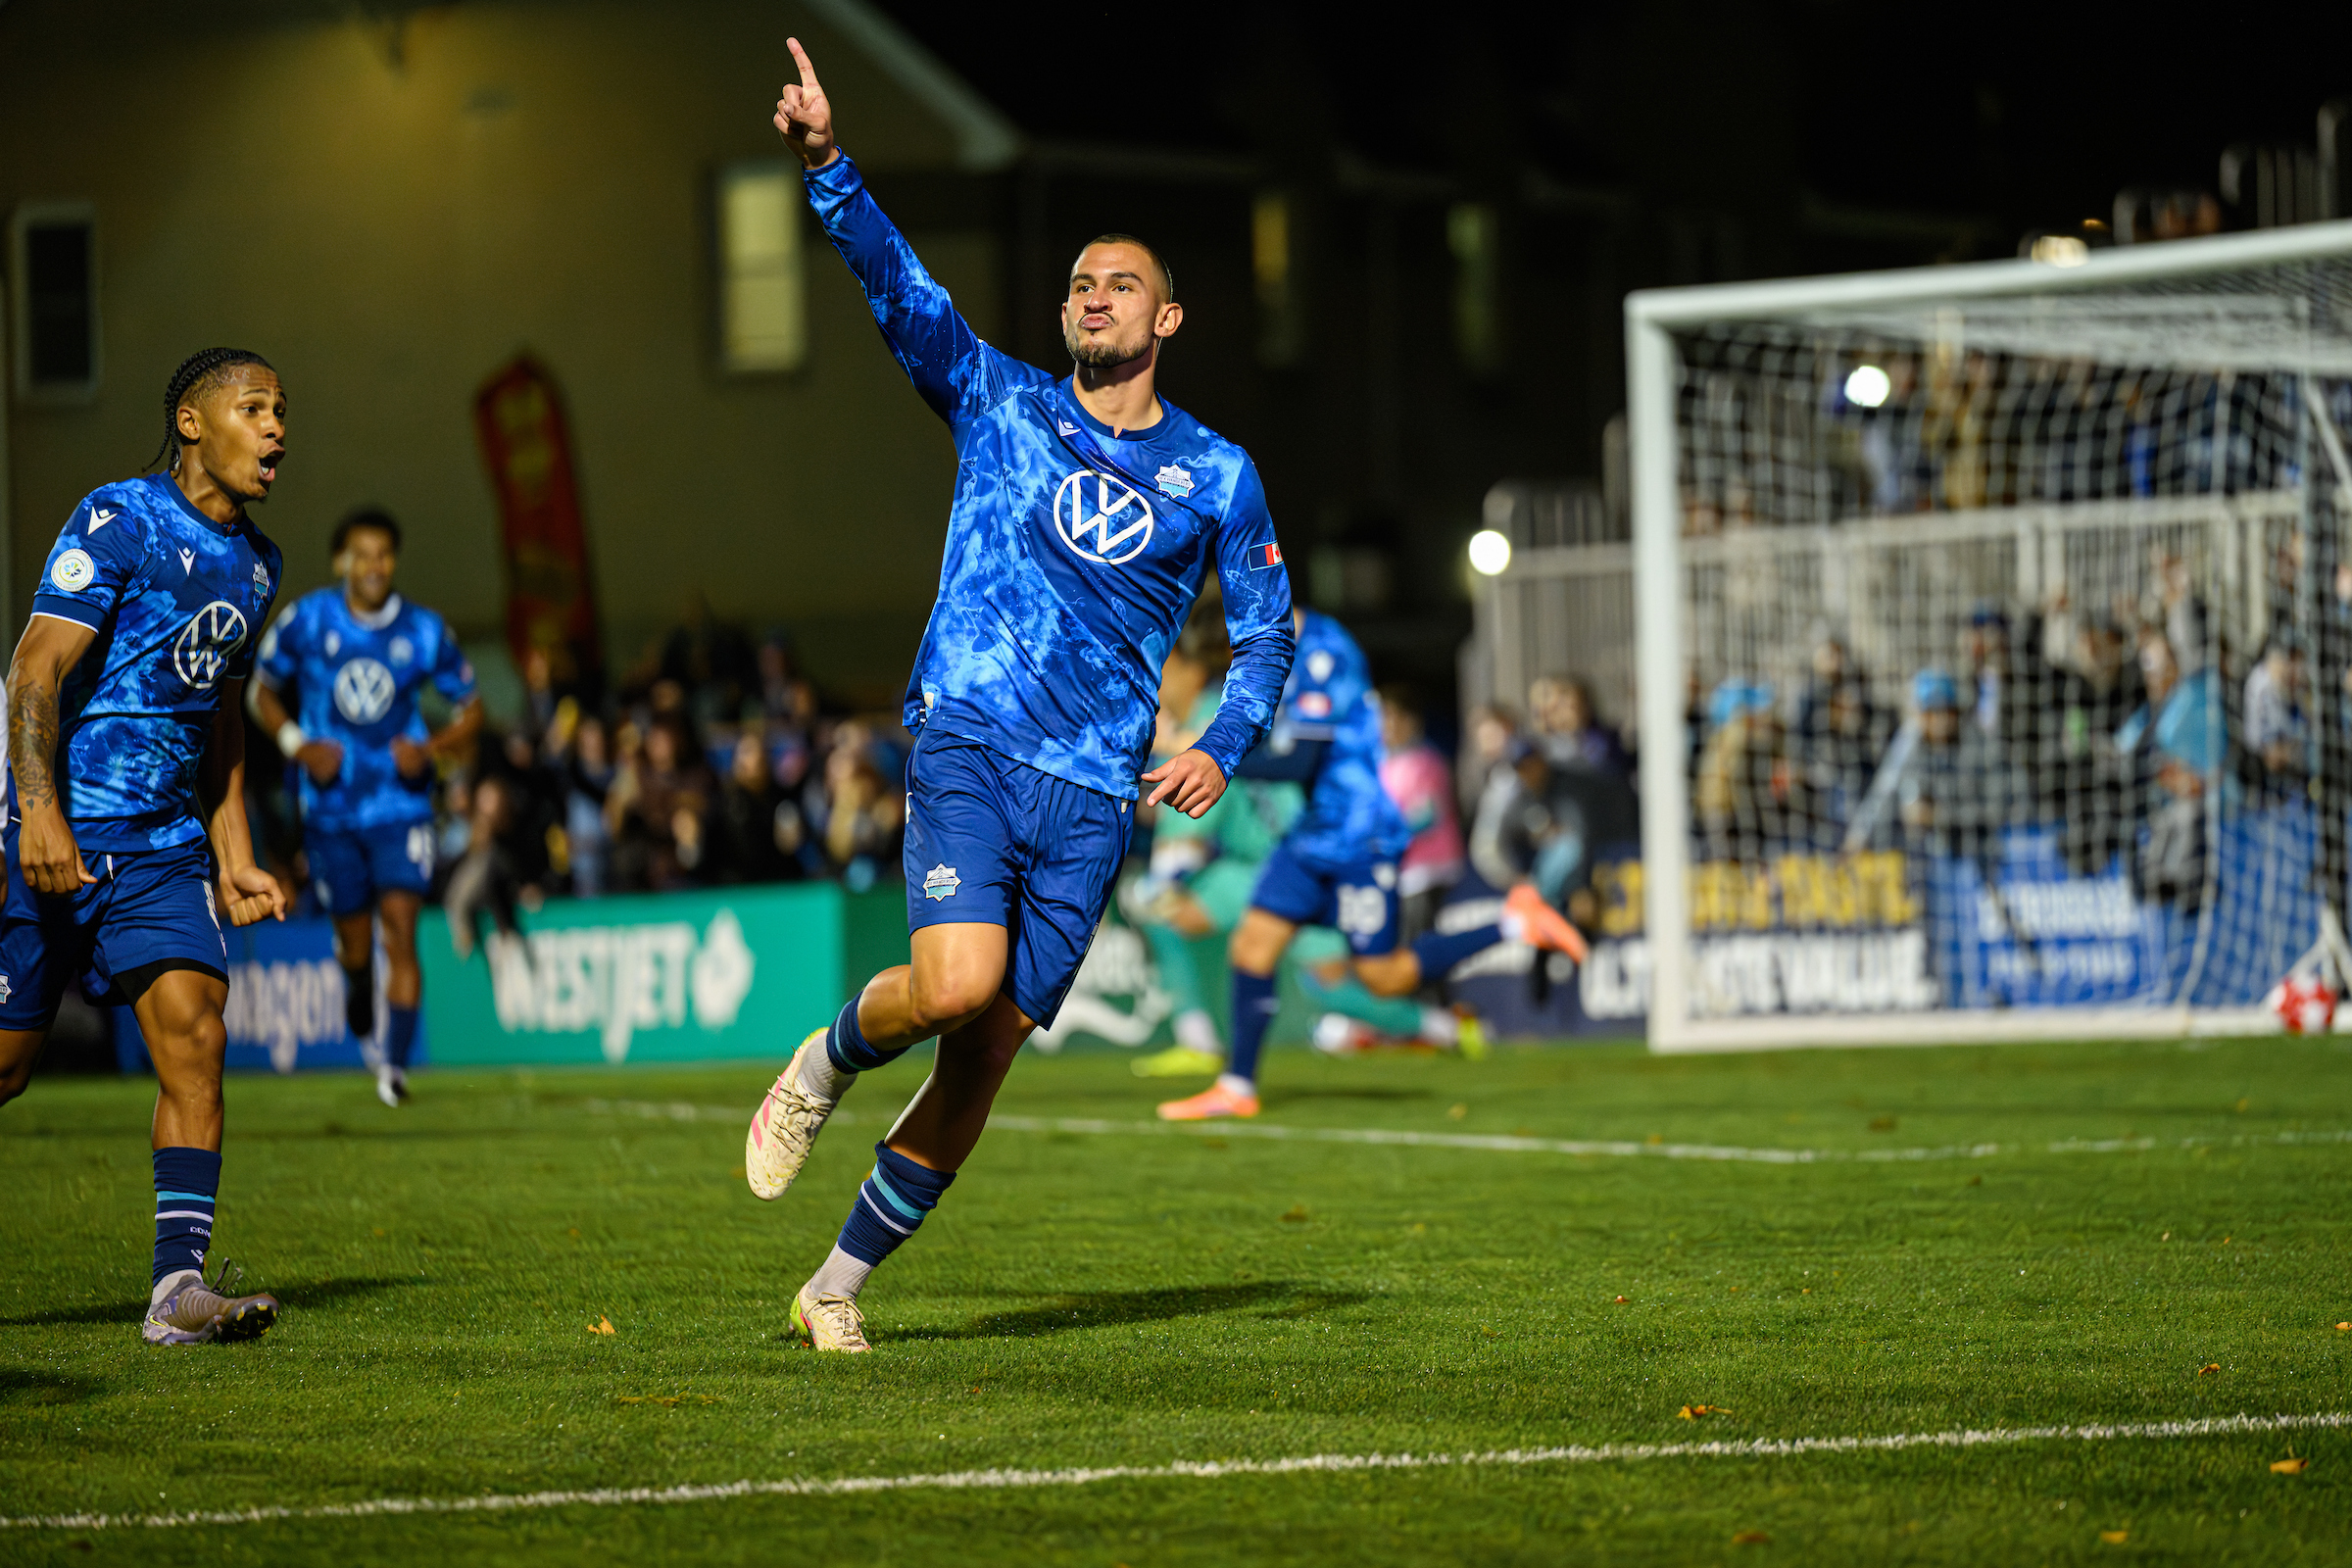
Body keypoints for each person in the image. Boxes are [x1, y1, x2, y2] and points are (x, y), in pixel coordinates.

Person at [741, 39, 1295, 1354]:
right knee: (954, 983)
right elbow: (902, 291)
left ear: (1167, 320)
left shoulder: (1219, 475)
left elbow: (1269, 631)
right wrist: (829, 165)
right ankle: (823, 1059)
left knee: (983, 1057)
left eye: (1124, 284)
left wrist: (1222, 739)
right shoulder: (999, 403)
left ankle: (834, 1290)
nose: (1094, 295)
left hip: (1098, 795)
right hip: (975, 740)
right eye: (1079, 283)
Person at [0, 347, 292, 1345]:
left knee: (196, 1038)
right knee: (8, 1064)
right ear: (192, 423)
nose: (278, 430)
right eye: (256, 409)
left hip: (163, 846)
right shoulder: (118, 517)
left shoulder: (259, 564)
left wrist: (235, 850)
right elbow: (35, 670)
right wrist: (39, 811)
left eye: (283, 412)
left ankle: (177, 1293)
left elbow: (218, 719)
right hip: (56, 831)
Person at [1155, 608, 1587, 1122]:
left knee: (1385, 976)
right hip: (1312, 833)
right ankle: (1236, 1087)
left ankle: (1517, 920)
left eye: (1233, 655)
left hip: (1358, 836)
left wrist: (1204, 752)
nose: (1239, 667)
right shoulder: (1281, 652)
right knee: (1253, 945)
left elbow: (1303, 758)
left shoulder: (1322, 653)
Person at [254, 508, 481, 1106]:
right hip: (330, 812)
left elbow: (473, 708)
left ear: (393, 561)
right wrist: (298, 746)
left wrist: (431, 748)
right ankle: (357, 988)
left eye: (383, 554)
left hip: (400, 808)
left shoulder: (425, 631)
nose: (373, 565)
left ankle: (396, 1071)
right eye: (362, 554)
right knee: (355, 944)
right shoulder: (307, 621)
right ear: (340, 562)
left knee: (400, 933)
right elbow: (261, 691)